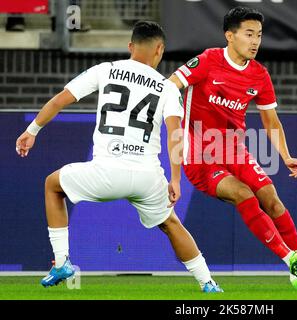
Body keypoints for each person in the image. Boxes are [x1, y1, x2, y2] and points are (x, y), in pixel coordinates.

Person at [15, 21, 222, 293]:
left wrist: (32, 130)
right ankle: (207, 283)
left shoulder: (107, 70)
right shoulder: (167, 87)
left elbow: (60, 100)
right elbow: (175, 135)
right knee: (171, 223)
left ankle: (62, 262)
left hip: (106, 172)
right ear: (159, 50)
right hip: (147, 176)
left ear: (130, 47)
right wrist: (175, 179)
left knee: (52, 185)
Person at [169, 7, 297, 290]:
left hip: (235, 152)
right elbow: (170, 87)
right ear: (230, 35)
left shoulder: (259, 75)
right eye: (249, 34)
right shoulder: (207, 61)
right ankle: (289, 259)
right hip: (200, 157)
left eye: (259, 35)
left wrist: (285, 156)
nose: (255, 41)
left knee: (271, 199)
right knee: (243, 194)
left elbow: (270, 120)